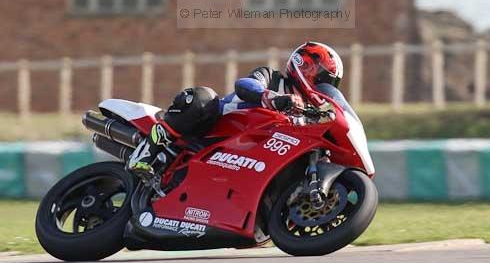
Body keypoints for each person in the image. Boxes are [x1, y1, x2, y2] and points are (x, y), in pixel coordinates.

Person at [128, 40, 347, 180]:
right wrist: (271, 98)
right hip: (214, 127)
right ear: (305, 66)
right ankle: (146, 153)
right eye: (320, 77)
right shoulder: (272, 78)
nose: (320, 85)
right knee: (203, 97)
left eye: (327, 83)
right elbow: (244, 85)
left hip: (245, 155)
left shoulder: (308, 111)